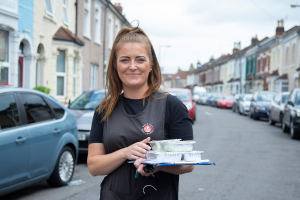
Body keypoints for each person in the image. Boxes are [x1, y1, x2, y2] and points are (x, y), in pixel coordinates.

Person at [87, 26, 194, 200]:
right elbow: (93, 166)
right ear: (115, 65)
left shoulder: (172, 106)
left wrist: (154, 163)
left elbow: (188, 164)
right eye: (124, 60)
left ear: (151, 64)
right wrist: (125, 153)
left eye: (140, 59)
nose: (132, 66)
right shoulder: (104, 110)